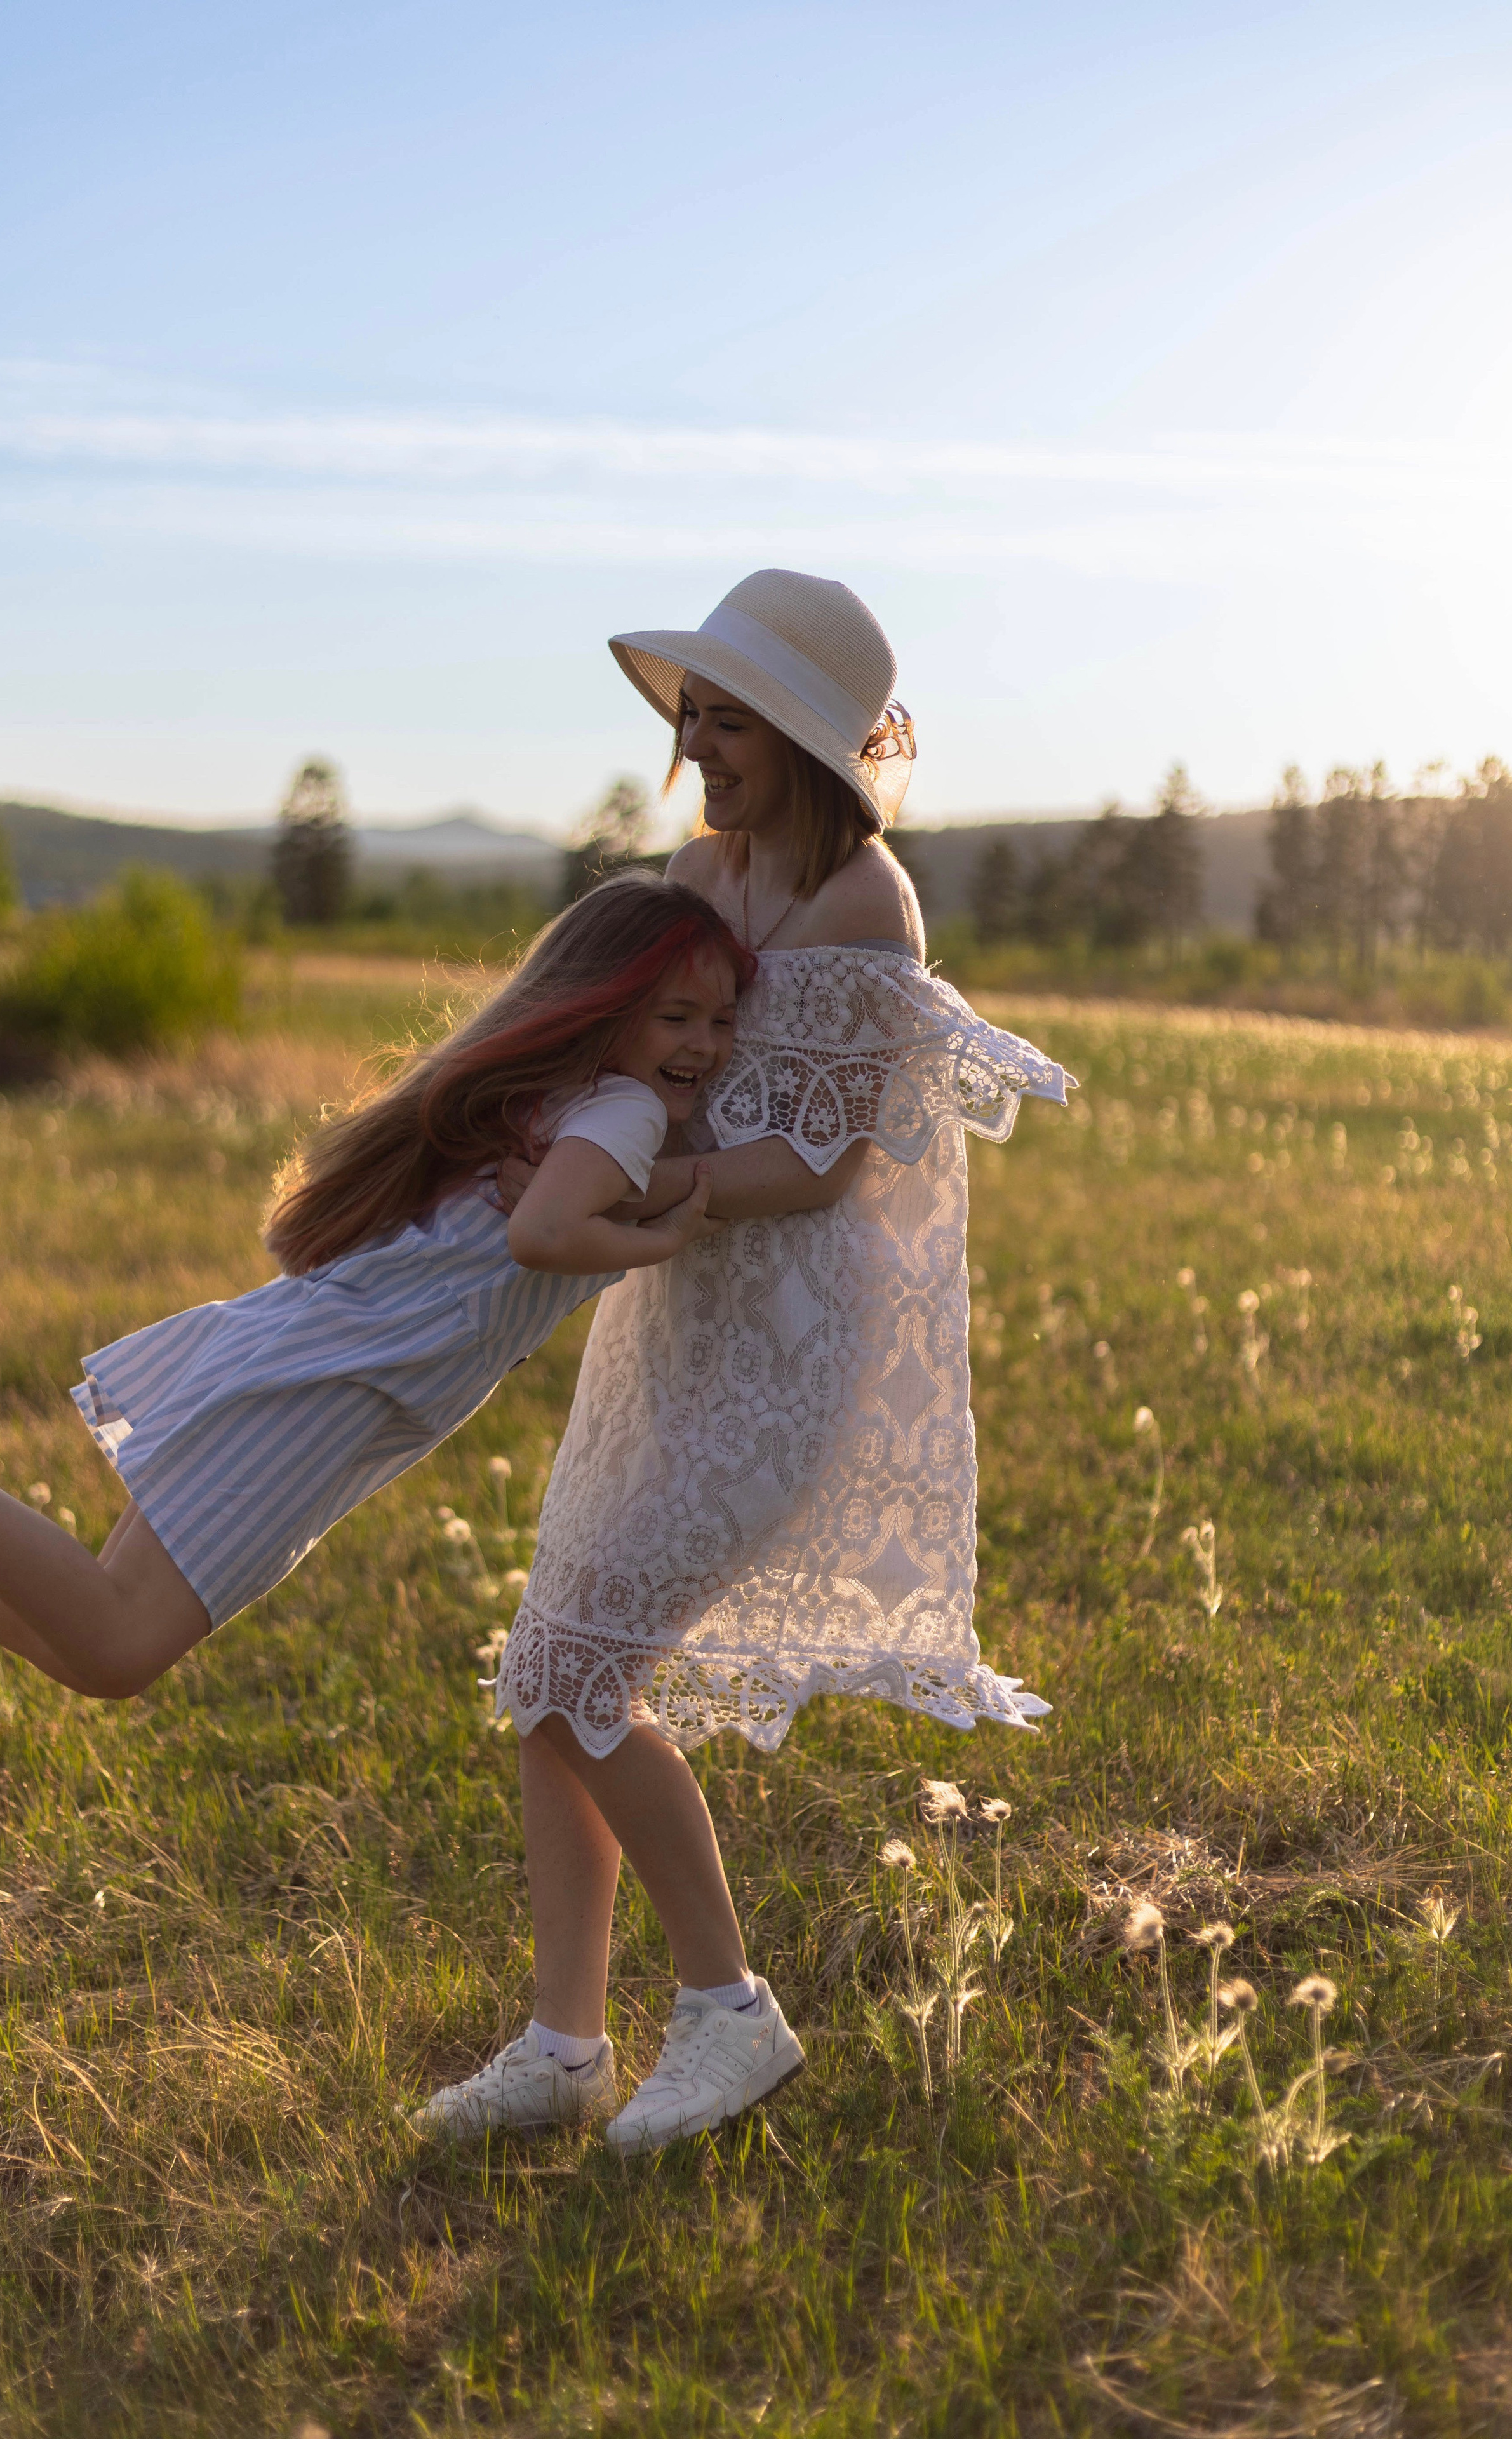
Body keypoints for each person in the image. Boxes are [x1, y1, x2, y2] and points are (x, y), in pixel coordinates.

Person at [415, 569, 1071, 2156]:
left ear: (798, 735)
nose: (697, 741)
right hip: (666, 1323)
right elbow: (633, 1059)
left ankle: (726, 2015)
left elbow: (827, 1165)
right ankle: (562, 2045)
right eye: (689, 711)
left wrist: (659, 1186)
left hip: (785, 1339)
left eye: (726, 716)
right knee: (545, 1677)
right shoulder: (695, 872)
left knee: (583, 1676)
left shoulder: (866, 909)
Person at [0, 875, 746, 1702]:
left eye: (722, 1020)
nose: (704, 1045)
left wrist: (640, 1204)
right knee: (116, 1642)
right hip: (328, 1395)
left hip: (309, 1361)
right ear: (604, 1009)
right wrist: (665, 1233)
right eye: (675, 1017)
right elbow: (544, 1232)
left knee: (93, 1648)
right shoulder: (626, 1110)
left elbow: (545, 1214)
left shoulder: (550, 1098)